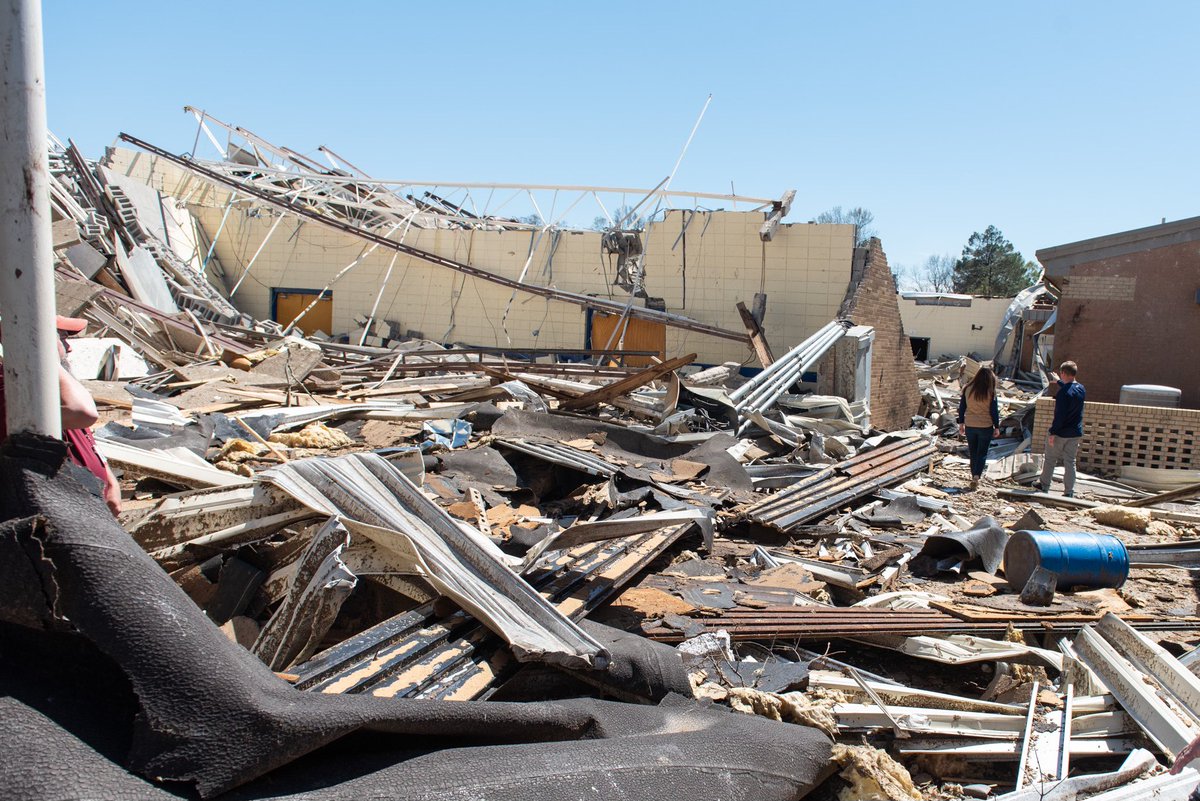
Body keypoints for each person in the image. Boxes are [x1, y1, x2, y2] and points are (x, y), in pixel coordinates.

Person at [0, 315, 122, 516]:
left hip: (86, 506)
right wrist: (45, 358)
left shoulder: (55, 387)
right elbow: (83, 413)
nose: (69, 347)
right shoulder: (14, 385)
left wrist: (109, 479)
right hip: (56, 512)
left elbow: (83, 434)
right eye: (61, 338)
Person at [1039, 360, 1086, 498]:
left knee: (1050, 459)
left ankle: (1044, 485)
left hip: (1061, 432)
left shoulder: (1062, 393)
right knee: (1070, 462)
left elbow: (1059, 415)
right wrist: (1059, 382)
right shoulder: (1081, 389)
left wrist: (1053, 432)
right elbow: (1069, 389)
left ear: (1064, 373)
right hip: (1075, 432)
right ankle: (1069, 491)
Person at [957, 366, 1000, 490]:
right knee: (982, 453)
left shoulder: (967, 389)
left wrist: (961, 424)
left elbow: (962, 408)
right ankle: (976, 476)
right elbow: (994, 411)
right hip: (985, 426)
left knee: (973, 452)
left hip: (970, 425)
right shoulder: (990, 392)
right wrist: (996, 426)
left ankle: (973, 476)